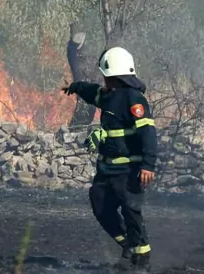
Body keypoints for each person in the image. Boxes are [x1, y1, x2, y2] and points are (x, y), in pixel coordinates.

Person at [62, 46, 158, 270]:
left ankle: (143, 260)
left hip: (128, 171)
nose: (104, 81)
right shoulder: (108, 96)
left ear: (115, 76)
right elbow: (92, 91)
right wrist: (75, 87)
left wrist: (148, 165)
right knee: (99, 203)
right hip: (107, 171)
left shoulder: (134, 100)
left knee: (131, 212)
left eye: (106, 76)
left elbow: (148, 134)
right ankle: (127, 245)